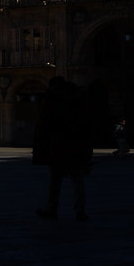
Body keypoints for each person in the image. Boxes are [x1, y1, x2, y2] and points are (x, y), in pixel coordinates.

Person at [33, 76, 93, 220]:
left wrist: (40, 145)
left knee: (55, 180)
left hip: (57, 144)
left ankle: (52, 207)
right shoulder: (80, 98)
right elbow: (87, 122)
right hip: (76, 144)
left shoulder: (51, 99)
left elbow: (43, 123)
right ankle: (80, 209)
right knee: (77, 179)